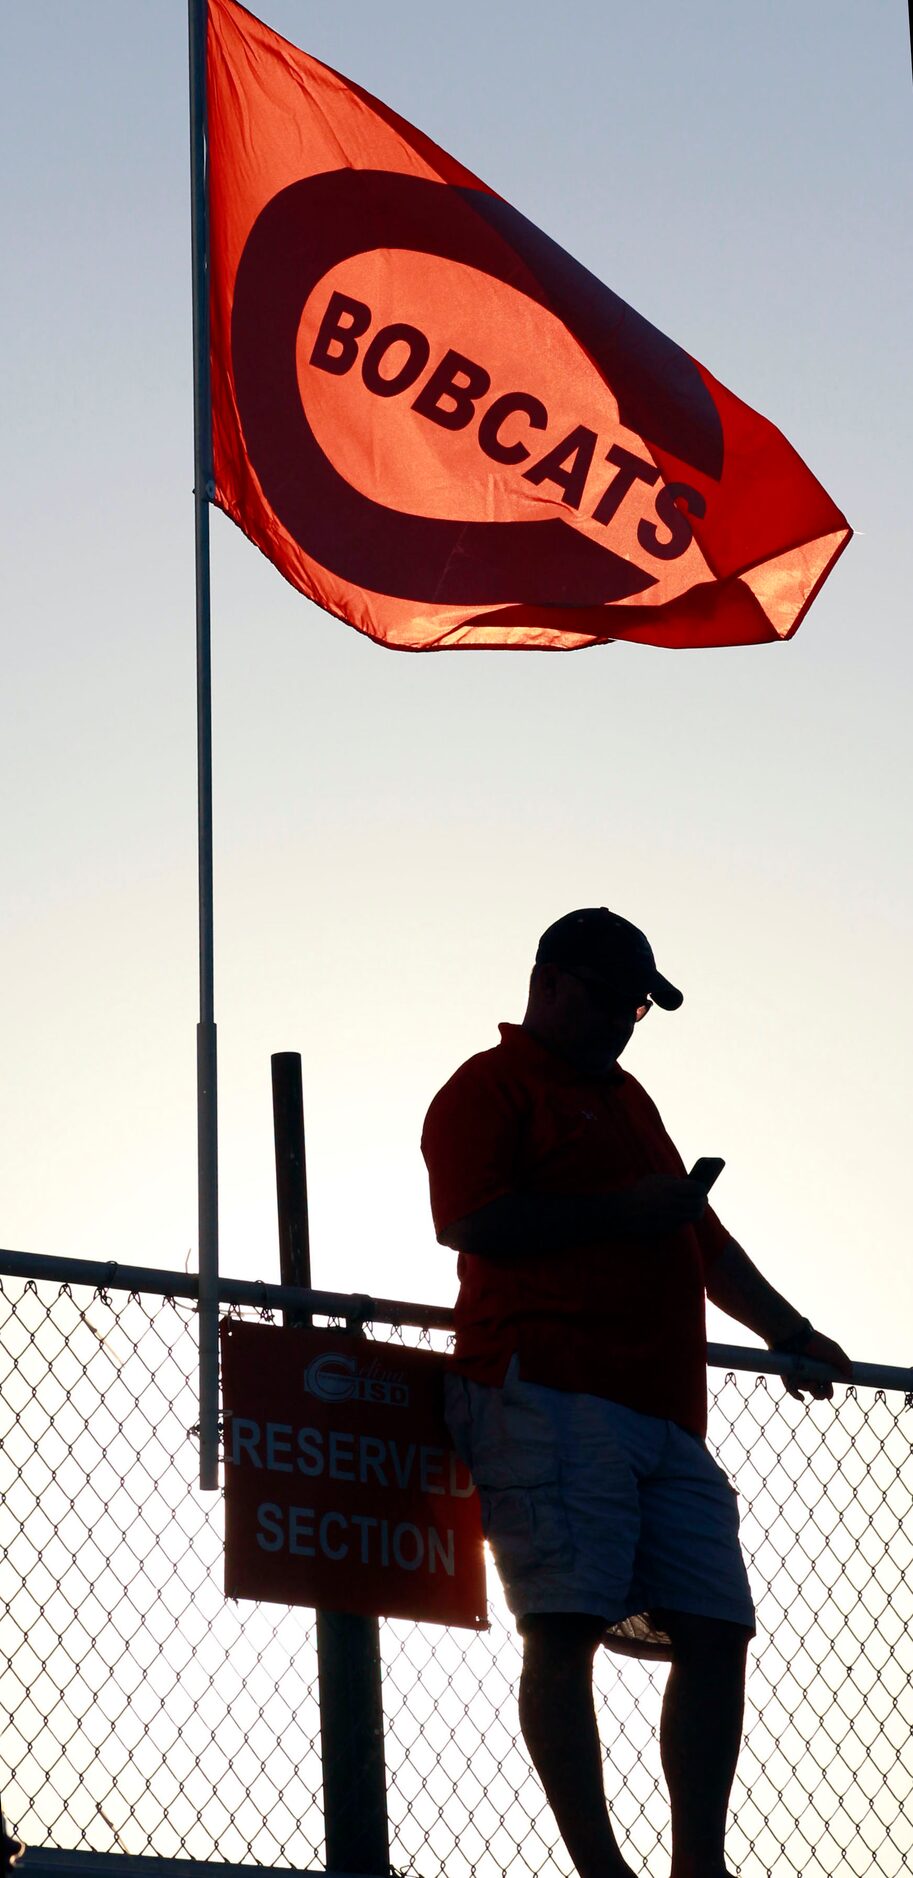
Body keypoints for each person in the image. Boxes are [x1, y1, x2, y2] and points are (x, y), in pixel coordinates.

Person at [421, 907, 852, 1878]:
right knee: (562, 1623)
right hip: (545, 1391)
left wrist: (787, 1331)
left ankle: (698, 1866)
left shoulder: (629, 1098)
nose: (624, 1020)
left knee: (716, 1626)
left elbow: (701, 1243)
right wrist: (623, 1212)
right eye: (614, 999)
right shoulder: (486, 1087)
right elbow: (471, 1222)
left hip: (661, 1411)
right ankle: (600, 1871)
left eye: (638, 1008)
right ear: (550, 981)